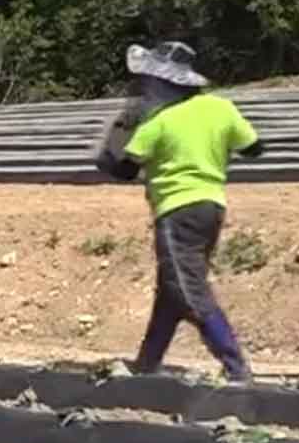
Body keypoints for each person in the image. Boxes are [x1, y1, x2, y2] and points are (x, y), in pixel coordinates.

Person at [94, 42, 266, 383]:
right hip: (211, 207)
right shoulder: (222, 109)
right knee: (171, 291)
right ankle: (147, 363)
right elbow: (254, 148)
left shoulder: (159, 123)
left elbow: (123, 169)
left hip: (176, 210)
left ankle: (236, 366)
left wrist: (115, 139)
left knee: (188, 290)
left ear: (163, 84)